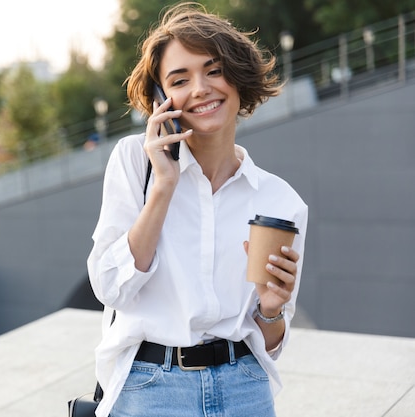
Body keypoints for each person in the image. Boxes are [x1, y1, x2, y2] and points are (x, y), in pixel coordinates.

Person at [86, 3, 308, 417]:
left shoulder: (280, 201)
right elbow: (109, 288)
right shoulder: (135, 162)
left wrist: (272, 309)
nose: (201, 88)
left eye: (213, 70)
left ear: (238, 76)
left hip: (246, 387)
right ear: (160, 99)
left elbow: (273, 344)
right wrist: (164, 186)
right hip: (150, 388)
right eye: (179, 79)